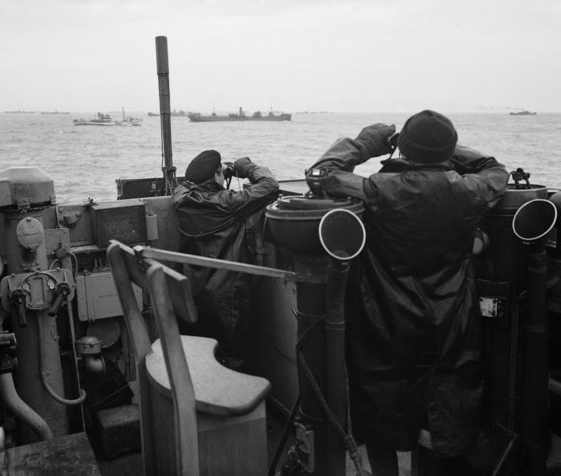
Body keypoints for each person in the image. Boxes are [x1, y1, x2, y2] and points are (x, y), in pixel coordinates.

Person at [306, 110, 509, 475]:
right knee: (441, 415)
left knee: (381, 415)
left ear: (405, 149)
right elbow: (495, 169)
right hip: (450, 322)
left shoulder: (378, 189)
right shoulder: (471, 190)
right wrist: (446, 149)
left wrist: (366, 143)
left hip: (384, 321)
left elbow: (322, 173)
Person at [172, 149, 279, 371]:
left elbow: (191, 181)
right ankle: (235, 391)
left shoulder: (181, 197)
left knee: (201, 352)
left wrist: (221, 171)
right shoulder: (228, 203)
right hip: (227, 297)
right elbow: (270, 185)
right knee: (233, 354)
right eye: (220, 172)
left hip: (192, 293)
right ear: (215, 176)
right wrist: (247, 167)